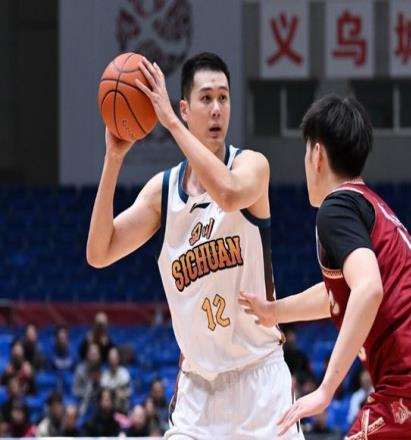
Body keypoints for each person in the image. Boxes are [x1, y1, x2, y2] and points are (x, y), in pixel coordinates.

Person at [239, 94, 411, 438]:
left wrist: (326, 389)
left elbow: (368, 288)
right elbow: (341, 292)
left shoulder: (336, 207)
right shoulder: (372, 205)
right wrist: (275, 311)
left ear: (317, 154)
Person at [87, 52, 303, 439]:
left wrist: (169, 122)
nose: (217, 108)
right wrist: (113, 159)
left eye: (223, 98)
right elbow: (99, 253)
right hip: (197, 393)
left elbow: (228, 194)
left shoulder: (252, 166)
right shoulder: (163, 192)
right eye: (206, 98)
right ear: (186, 108)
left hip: (260, 382)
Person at [100, 347, 131, 413]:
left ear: (118, 358)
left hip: (122, 408)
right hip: (108, 409)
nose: (113, 360)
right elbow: (103, 394)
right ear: (108, 359)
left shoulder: (124, 373)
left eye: (115, 358)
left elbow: (128, 393)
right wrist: (116, 393)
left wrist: (117, 394)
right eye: (111, 358)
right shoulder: (104, 375)